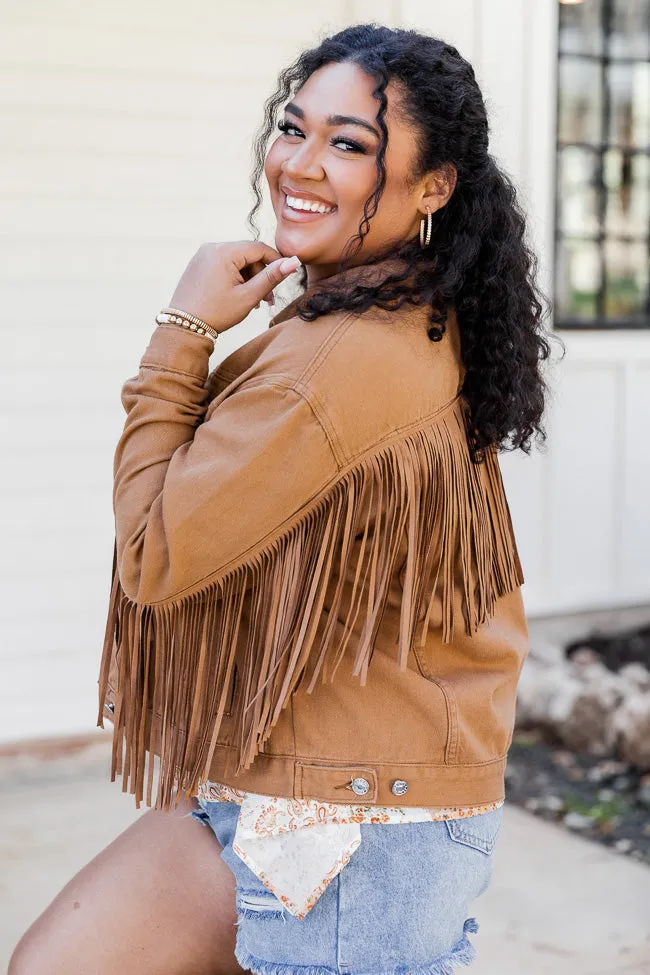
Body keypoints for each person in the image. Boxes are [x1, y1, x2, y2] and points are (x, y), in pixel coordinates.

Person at [9, 23, 553, 975]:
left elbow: (157, 552)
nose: (300, 164)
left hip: (354, 826)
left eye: (350, 144)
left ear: (435, 187)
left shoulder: (339, 362)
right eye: (294, 128)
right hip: (286, 776)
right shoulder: (391, 305)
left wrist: (182, 331)